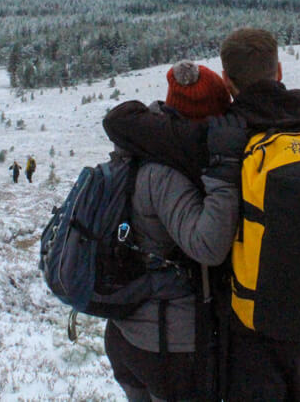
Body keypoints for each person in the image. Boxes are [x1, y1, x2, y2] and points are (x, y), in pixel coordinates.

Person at [104, 28, 300, 402]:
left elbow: (121, 123)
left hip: (250, 325)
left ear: (227, 79)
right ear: (279, 71)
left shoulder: (224, 135)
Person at [102, 59, 240, 402]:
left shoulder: (135, 147)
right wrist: (223, 179)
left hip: (128, 333)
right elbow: (207, 246)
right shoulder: (165, 174)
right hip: (166, 344)